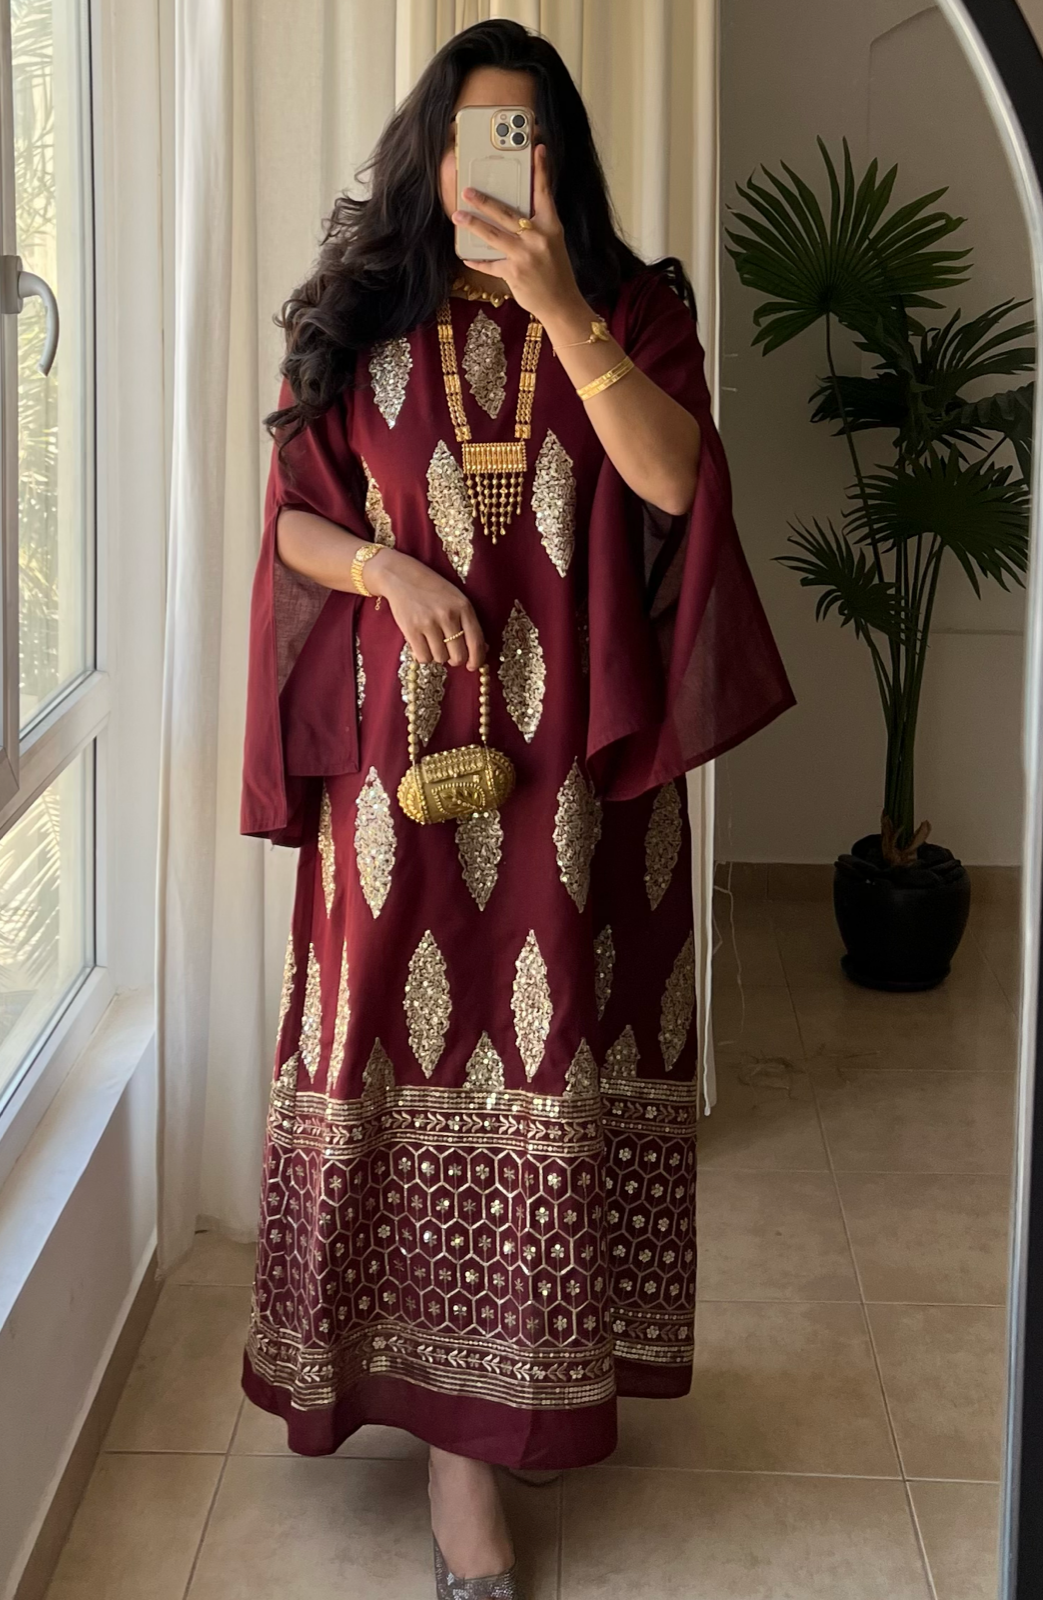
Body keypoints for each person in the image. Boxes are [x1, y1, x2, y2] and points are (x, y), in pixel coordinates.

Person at [239, 19, 794, 1598]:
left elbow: (675, 481)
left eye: (530, 136)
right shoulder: (355, 314)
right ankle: (451, 1460)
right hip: (395, 781)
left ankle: (513, 1403)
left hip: (576, 787)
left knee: (552, 1068)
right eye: (478, 134)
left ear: (564, 156)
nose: (505, 164)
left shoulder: (632, 306)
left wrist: (560, 308)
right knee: (402, 1072)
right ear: (428, 153)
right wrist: (385, 567)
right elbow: (291, 526)